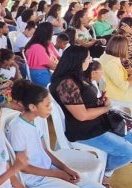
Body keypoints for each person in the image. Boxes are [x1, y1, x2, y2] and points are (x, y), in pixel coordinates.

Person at [50, 45, 132, 180]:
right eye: (88, 58)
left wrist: (100, 101)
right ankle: (104, 173)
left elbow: (83, 102)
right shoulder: (66, 84)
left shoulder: (76, 77)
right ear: (78, 61)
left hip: (98, 122)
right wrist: (106, 108)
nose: (91, 61)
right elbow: (82, 115)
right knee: (129, 152)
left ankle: (104, 169)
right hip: (85, 129)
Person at [24, 22, 59, 87]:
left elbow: (57, 57)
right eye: (52, 31)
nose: (53, 33)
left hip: (42, 73)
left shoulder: (38, 44)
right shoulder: (37, 47)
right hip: (39, 75)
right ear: (48, 33)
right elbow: (52, 66)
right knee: (61, 86)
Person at [99, 35, 132, 102]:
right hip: (117, 94)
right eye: (127, 46)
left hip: (114, 90)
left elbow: (118, 72)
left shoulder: (107, 56)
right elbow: (123, 85)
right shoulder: (111, 63)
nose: (128, 49)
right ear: (122, 48)